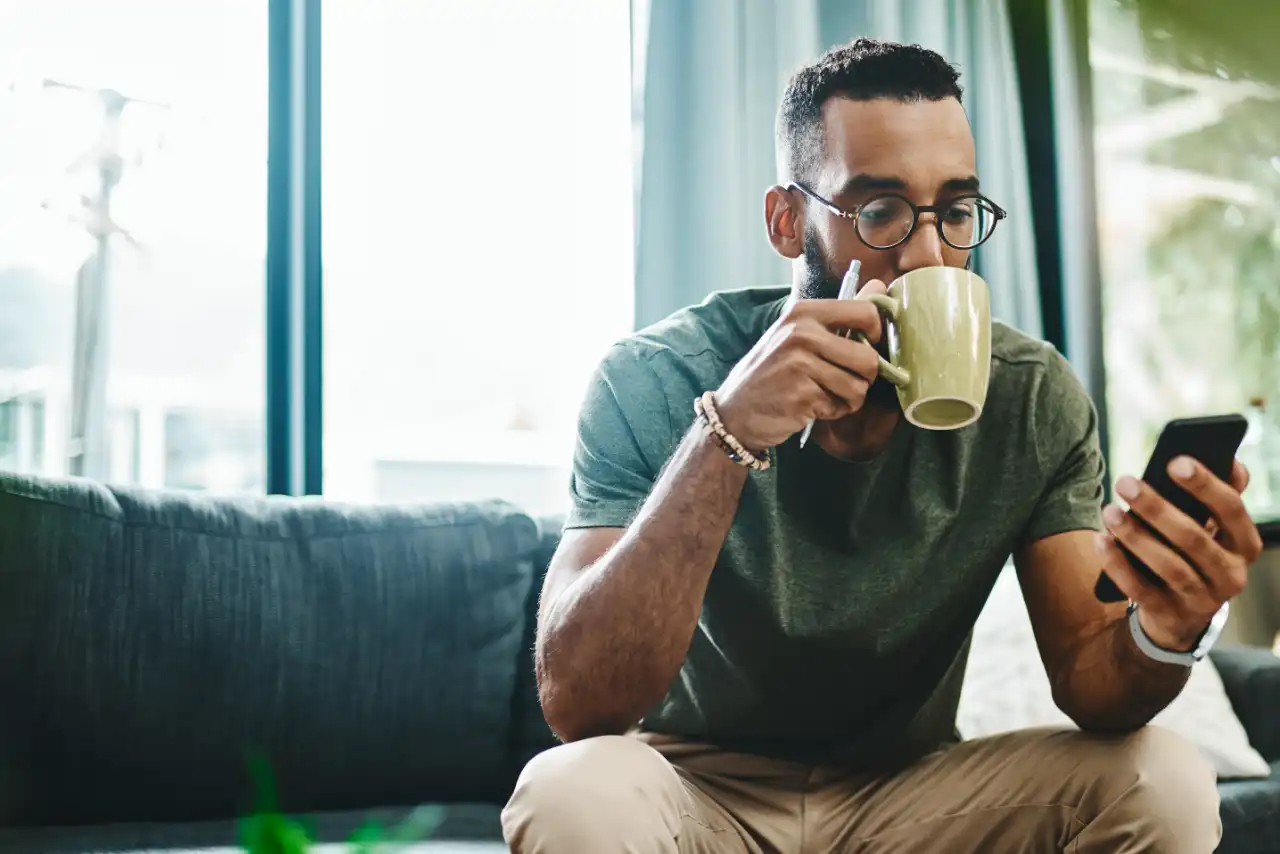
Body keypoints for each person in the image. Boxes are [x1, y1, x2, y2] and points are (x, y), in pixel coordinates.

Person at [503, 38, 1264, 853]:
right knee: (568, 792)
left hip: (913, 794)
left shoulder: (1029, 395)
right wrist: (724, 433)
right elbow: (579, 705)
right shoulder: (654, 378)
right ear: (789, 221)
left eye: (957, 211)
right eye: (880, 211)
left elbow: (1092, 679)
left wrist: (1167, 628)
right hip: (697, 789)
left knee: (1165, 781)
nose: (927, 255)